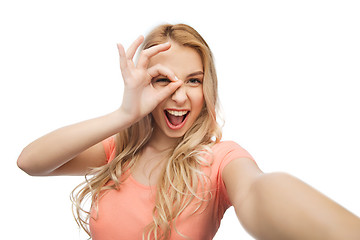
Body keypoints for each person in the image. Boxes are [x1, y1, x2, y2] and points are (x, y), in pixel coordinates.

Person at [17, 24, 360, 240]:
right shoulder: (115, 149)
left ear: (207, 87)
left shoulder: (219, 160)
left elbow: (258, 192)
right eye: (163, 80)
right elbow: (30, 162)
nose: (179, 96)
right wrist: (125, 114)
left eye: (193, 80)